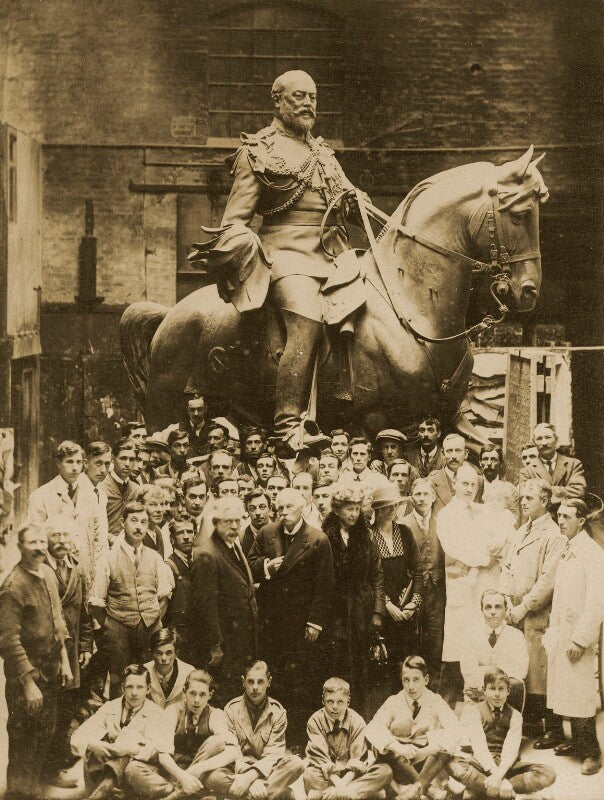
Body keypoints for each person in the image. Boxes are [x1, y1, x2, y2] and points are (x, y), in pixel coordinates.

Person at [192, 70, 367, 455]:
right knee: (307, 316)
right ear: (278, 101)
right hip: (286, 256)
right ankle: (288, 424)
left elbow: (351, 205)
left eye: (314, 98)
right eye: (299, 96)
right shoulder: (258, 151)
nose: (308, 104)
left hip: (335, 255)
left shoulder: (323, 154)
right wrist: (243, 249)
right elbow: (235, 220)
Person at [248, 487, 335, 743]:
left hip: (301, 623)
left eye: (289, 508)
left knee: (301, 680)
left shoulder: (317, 539)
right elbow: (249, 562)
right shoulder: (267, 533)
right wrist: (266, 566)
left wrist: (315, 622)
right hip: (272, 621)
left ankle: (299, 737)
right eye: (280, 508)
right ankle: (273, 736)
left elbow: (325, 585)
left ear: (303, 507)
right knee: (276, 678)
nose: (284, 513)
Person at [0, 524, 73, 800]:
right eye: (32, 542)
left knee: (45, 732)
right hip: (27, 680)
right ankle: (19, 794)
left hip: (51, 671)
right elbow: (8, 641)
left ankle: (34, 789)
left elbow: (58, 622)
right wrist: (28, 683)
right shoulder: (13, 586)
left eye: (43, 541)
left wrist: (65, 661)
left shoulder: (48, 575)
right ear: (20, 547)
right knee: (24, 739)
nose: (40, 547)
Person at [500, 479, 566, 745]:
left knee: (542, 671)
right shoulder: (520, 531)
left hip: (537, 615)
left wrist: (524, 607)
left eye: (529, 498)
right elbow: (506, 565)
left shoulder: (554, 534)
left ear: (544, 502)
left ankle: (553, 727)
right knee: (522, 667)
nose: (523, 502)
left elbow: (548, 581)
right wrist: (506, 599)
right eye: (522, 498)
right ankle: (530, 722)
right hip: (514, 611)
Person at [437, 464, 507, 707]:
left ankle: (480, 706)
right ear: (454, 483)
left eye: (473, 485)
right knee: (455, 648)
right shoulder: (446, 515)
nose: (469, 489)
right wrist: (485, 558)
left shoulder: (481, 511)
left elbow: (497, 539)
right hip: (460, 589)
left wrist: (492, 550)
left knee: (476, 645)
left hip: (480, 589)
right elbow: (456, 548)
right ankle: (445, 706)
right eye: (464, 483)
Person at [543, 499, 604, 775]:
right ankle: (577, 744)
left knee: (580, 693)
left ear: (582, 520)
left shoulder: (592, 553)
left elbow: (596, 603)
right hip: (562, 633)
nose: (561, 521)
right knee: (565, 691)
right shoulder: (568, 548)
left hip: (579, 636)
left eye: (567, 517)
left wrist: (580, 640)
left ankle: (592, 752)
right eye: (559, 516)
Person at [89, 502, 174, 698]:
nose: (138, 526)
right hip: (119, 631)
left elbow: (164, 596)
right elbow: (96, 604)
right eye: (133, 521)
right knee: (121, 681)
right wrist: (112, 626)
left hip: (150, 629)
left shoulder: (154, 557)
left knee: (151, 679)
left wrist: (151, 620)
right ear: (122, 523)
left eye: (144, 522)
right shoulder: (108, 558)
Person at [124, 669, 238, 800]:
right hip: (174, 773)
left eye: (202, 695)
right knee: (132, 769)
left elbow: (232, 752)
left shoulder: (216, 714)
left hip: (202, 773)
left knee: (216, 743)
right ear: (184, 692)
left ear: (210, 695)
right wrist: (183, 777)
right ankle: (191, 794)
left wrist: (198, 769)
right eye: (192, 693)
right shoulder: (172, 711)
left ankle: (176, 795)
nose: (197, 700)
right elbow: (163, 755)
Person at [322, 486, 385, 714]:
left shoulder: (366, 535)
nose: (354, 514)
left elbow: (377, 574)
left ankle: (358, 719)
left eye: (357, 509)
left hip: (361, 609)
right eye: (349, 509)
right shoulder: (324, 536)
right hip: (335, 610)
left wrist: (377, 612)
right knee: (335, 664)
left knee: (360, 667)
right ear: (337, 510)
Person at [447, 668, 556, 799]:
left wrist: (499, 775)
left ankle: (479, 792)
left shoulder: (515, 715)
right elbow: (479, 748)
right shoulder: (474, 711)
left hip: (507, 765)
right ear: (484, 690)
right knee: (452, 764)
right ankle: (513, 795)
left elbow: (511, 750)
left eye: (501, 689)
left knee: (547, 773)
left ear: (508, 691)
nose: (497, 694)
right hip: (482, 764)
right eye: (492, 689)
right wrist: (501, 781)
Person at [190, 496, 258, 704]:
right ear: (215, 523)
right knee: (225, 693)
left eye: (237, 521)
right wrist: (215, 644)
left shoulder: (231, 546)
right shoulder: (207, 555)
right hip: (224, 641)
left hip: (238, 637)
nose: (234, 526)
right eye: (228, 521)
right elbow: (205, 606)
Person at [365, 656, 461, 800]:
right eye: (406, 680)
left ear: (426, 680)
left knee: (446, 746)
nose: (410, 686)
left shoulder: (436, 700)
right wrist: (398, 747)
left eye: (416, 679)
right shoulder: (393, 701)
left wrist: (425, 751)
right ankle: (427, 788)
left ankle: (415, 789)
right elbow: (373, 728)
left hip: (426, 763)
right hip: (399, 762)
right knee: (382, 744)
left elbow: (456, 730)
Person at [43, 515, 94, 777]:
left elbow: (84, 613)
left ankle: (61, 755)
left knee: (66, 706)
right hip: (48, 651)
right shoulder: (41, 569)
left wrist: (85, 646)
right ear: (47, 540)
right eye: (55, 536)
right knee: (49, 709)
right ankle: (49, 768)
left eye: (66, 536)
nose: (62, 541)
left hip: (72, 651)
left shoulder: (77, 569)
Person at [71, 663, 165, 800]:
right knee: (95, 751)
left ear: (148, 689)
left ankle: (102, 792)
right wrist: (97, 745)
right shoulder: (110, 707)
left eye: (140, 687)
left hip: (138, 769)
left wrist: (127, 749)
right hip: (105, 768)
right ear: (122, 688)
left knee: (128, 755)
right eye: (129, 687)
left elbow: (155, 750)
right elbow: (78, 737)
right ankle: (108, 790)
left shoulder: (157, 713)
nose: (134, 692)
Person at [369, 484, 423, 707]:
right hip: (382, 612)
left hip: (407, 611)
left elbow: (418, 572)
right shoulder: (368, 535)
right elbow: (369, 578)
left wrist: (413, 604)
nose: (392, 510)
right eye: (387, 507)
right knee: (383, 664)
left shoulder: (405, 532)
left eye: (395, 506)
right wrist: (386, 606)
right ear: (377, 510)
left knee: (408, 662)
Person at [27, 440, 106, 592]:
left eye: (78, 462)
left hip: (86, 573)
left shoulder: (90, 495)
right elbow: (35, 539)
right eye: (69, 462)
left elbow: (99, 537)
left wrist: (98, 570)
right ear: (59, 463)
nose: (75, 468)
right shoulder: (41, 496)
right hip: (55, 574)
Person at [222, 660, 304, 799]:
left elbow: (274, 753)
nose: (255, 687)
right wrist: (246, 777)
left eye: (260, 682)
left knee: (296, 763)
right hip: (238, 771)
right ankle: (273, 793)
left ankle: (247, 796)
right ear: (243, 682)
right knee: (213, 777)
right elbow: (232, 751)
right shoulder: (231, 709)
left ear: (269, 682)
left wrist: (253, 777)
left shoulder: (278, 712)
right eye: (250, 682)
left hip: (265, 772)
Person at [304, 677, 393, 800]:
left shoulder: (357, 721)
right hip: (328, 776)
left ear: (348, 702)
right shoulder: (315, 721)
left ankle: (327, 795)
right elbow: (320, 758)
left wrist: (341, 788)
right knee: (309, 774)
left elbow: (358, 759)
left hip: (352, 775)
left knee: (385, 771)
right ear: (323, 700)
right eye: (330, 701)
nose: (334, 706)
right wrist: (340, 786)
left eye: (340, 701)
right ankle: (364, 794)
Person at [401, 479, 445, 693]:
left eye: (426, 494)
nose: (422, 499)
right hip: (412, 592)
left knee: (435, 643)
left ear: (433, 497)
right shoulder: (403, 524)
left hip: (437, 592)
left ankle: (433, 694)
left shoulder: (442, 522)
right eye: (417, 494)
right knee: (411, 641)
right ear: (411, 498)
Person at [460, 591, 529, 712]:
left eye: (498, 606)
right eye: (488, 607)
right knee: (474, 727)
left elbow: (520, 671)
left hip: (507, 700)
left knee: (517, 685)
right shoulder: (470, 635)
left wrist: (484, 671)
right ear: (482, 610)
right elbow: (469, 672)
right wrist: (502, 671)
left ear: (506, 609)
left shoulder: (516, 636)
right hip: (476, 698)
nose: (493, 611)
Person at [519, 422, 586, 506]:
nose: (544, 443)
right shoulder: (526, 471)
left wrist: (548, 490)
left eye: (548, 437)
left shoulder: (573, 464)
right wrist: (563, 491)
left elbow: (578, 491)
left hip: (567, 515)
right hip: (542, 517)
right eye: (539, 439)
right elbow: (527, 498)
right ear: (534, 442)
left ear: (556, 440)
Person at [165, 518, 195, 660]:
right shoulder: (168, 566)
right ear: (172, 539)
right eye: (180, 533)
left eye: (190, 531)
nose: (186, 536)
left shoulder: (197, 562)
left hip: (196, 634)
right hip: (178, 637)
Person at [101, 437, 140, 544]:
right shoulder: (101, 487)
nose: (127, 464)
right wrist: (111, 539)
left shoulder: (136, 489)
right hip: (105, 547)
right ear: (113, 458)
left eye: (131, 459)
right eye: (123, 458)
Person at [144, 628, 195, 710]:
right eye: (158, 653)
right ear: (152, 653)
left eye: (168, 653)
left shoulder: (189, 672)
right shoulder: (143, 672)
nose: (164, 658)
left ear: (176, 653)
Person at [429, 433, 478, 514]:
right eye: (449, 451)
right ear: (443, 454)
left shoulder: (478, 481)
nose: (454, 456)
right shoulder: (431, 482)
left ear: (466, 454)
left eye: (458, 451)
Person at [479, 444, 519, 520]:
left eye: (493, 459)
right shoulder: (473, 485)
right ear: (480, 462)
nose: (489, 463)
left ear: (500, 463)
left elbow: (515, 518)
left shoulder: (510, 490)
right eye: (485, 459)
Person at [139, 483, 171, 558]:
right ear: (140, 506)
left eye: (162, 504)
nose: (159, 510)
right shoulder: (135, 533)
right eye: (153, 504)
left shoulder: (158, 532)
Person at [241, 488, 271, 556]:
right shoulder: (240, 539)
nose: (257, 513)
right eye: (252, 508)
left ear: (270, 508)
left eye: (262, 507)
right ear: (247, 510)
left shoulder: (282, 532)